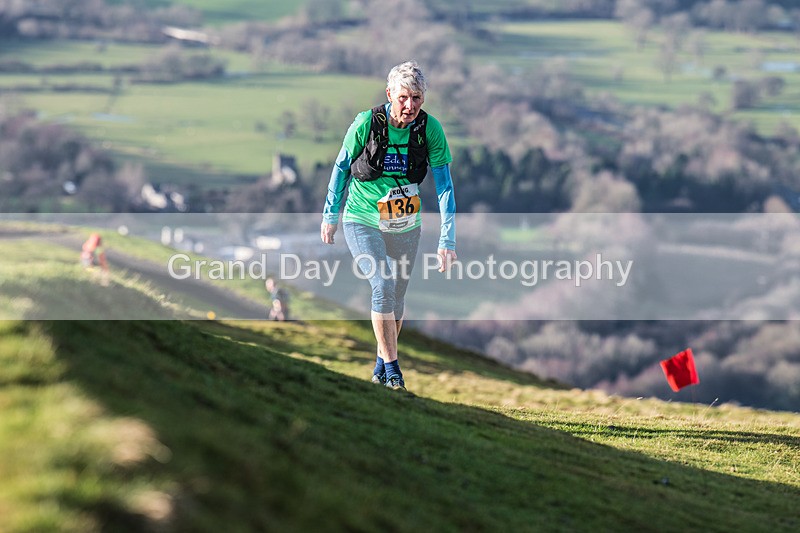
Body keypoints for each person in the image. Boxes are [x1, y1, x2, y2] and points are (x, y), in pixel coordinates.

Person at [320, 60, 457, 391]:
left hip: (406, 224)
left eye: (417, 99)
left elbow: (445, 186)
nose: (410, 106)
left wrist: (447, 240)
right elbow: (341, 167)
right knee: (382, 282)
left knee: (396, 296)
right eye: (404, 98)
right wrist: (330, 214)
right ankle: (394, 370)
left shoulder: (430, 129)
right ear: (389, 94)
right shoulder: (366, 123)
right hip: (362, 218)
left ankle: (381, 367)